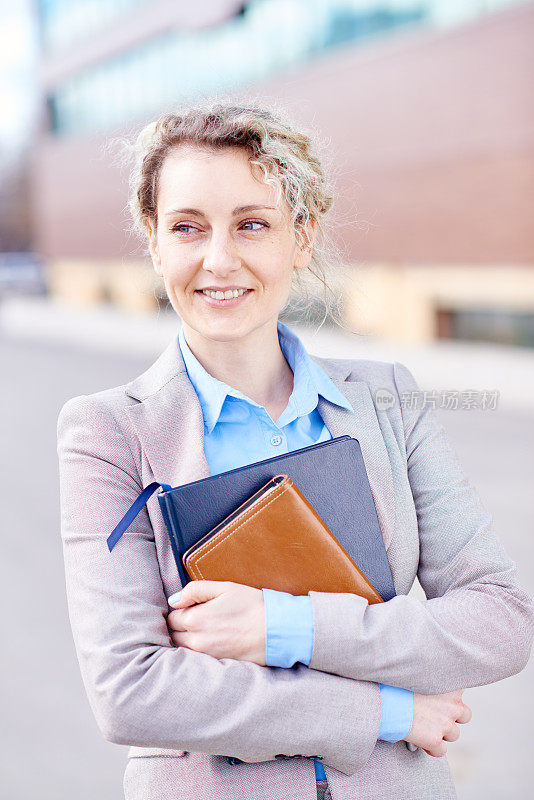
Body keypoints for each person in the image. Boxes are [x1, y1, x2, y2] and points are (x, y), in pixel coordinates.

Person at [57, 101, 534, 800]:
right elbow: (132, 691)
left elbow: (499, 619)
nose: (219, 260)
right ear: (154, 243)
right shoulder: (108, 433)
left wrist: (284, 627)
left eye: (252, 224)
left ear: (301, 238)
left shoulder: (387, 399)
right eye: (188, 227)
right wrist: (388, 710)